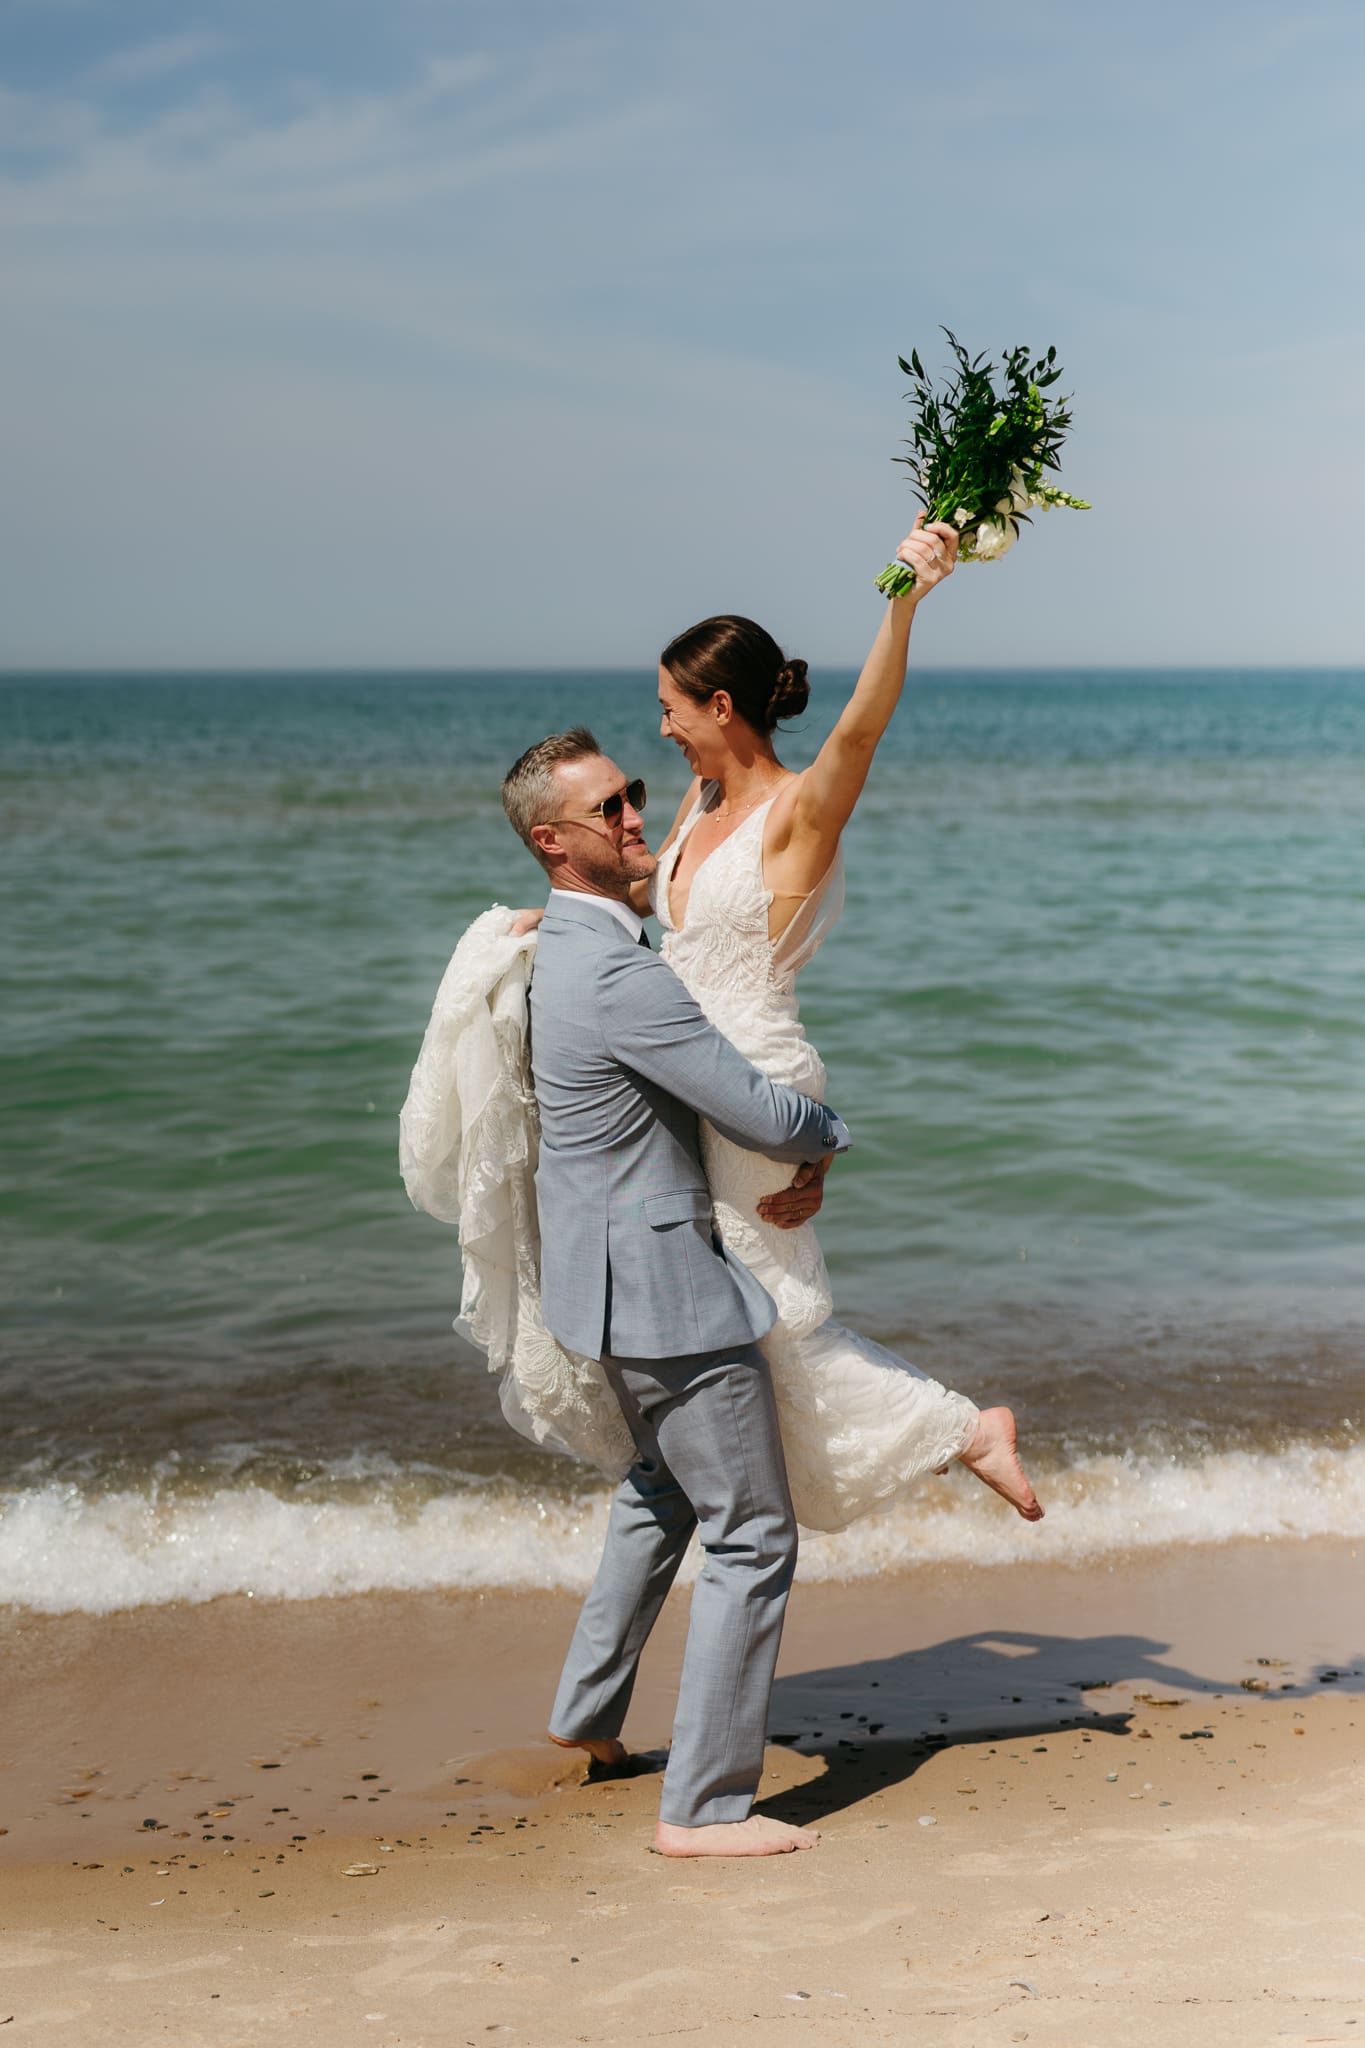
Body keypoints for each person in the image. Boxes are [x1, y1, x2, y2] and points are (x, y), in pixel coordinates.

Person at [512, 516, 1042, 1531]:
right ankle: (713, 1494)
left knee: (772, 1319)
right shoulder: (697, 801)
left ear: (719, 704)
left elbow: (860, 728)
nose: (659, 728)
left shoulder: (797, 815)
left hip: (751, 1072)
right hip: (680, 1068)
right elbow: (650, 920)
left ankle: (968, 1430)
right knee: (722, 1315)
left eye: (670, 708)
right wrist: (559, 920)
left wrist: (906, 597)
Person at [501, 728, 851, 1857]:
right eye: (607, 809)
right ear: (554, 842)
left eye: (634, 795)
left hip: (599, 1278)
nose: (633, 817)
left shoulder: (559, 945)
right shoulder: (617, 969)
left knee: (661, 1484)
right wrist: (832, 1132)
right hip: (664, 1286)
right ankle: (701, 1808)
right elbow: (748, 1104)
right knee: (754, 1530)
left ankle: (588, 1713)